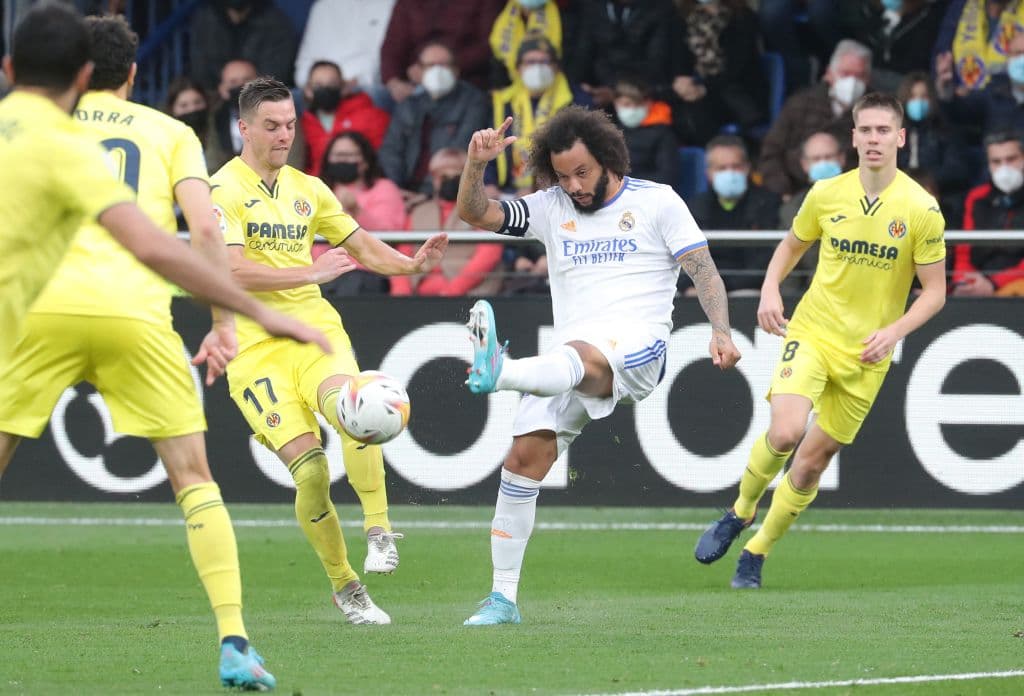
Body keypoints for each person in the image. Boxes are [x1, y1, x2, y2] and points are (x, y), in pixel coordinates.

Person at [0, 6, 336, 689]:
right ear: (127, 75)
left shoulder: (24, 129)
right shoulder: (169, 131)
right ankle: (235, 640)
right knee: (193, 480)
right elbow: (204, 235)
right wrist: (225, 320)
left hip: (37, 312)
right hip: (137, 313)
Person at [455, 106, 742, 624]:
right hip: (569, 358)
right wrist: (476, 165)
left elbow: (702, 269)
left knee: (582, 356)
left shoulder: (656, 202)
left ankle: (505, 372)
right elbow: (477, 215)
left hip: (638, 349)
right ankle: (502, 599)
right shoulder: (549, 207)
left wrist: (720, 330)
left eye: (582, 172)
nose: (574, 185)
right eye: (563, 175)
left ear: (608, 159)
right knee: (523, 462)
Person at [211, 77, 448, 623]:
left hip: (314, 331)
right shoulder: (221, 190)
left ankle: (380, 529)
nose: (284, 134)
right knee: (313, 472)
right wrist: (309, 270)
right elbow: (229, 269)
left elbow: (362, 246)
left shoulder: (309, 188)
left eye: (290, 124)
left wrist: (411, 265)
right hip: (253, 349)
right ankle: (346, 586)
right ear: (243, 128)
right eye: (271, 126)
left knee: (354, 407)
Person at [694, 92, 947, 589]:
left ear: (900, 137)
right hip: (812, 332)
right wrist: (769, 290)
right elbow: (791, 246)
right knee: (786, 433)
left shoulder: (921, 209)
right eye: (865, 130)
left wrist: (894, 331)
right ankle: (740, 509)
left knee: (811, 464)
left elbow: (935, 293)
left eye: (883, 131)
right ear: (853, 137)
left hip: (868, 354)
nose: (873, 139)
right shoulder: (826, 193)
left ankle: (757, 550)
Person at [758, 39, 872, 198]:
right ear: (829, 74)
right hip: (798, 193)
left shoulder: (878, 113)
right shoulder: (799, 105)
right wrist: (784, 191)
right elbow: (771, 153)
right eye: (845, 74)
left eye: (860, 76)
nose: (852, 82)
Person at [378, 40, 489, 196]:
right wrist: (397, 190)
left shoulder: (473, 102)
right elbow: (391, 150)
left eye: (443, 65)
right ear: (418, 71)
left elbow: (460, 151)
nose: (437, 71)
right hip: (406, 191)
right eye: (430, 66)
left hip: (447, 190)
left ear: (455, 70)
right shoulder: (409, 105)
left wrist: (428, 193)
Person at [393, 147, 504, 296]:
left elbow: (489, 255)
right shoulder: (418, 211)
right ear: (433, 178)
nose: (449, 180)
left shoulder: (485, 209)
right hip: (417, 297)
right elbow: (403, 253)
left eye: (456, 176)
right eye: (442, 176)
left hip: (469, 296)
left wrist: (453, 291)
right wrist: (401, 292)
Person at [687, 134, 779, 294]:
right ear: (709, 173)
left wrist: (723, 286)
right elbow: (683, 258)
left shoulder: (768, 204)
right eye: (722, 168)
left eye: (736, 166)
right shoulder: (695, 207)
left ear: (747, 168)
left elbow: (767, 260)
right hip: (703, 289)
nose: (729, 173)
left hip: (746, 289)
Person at [318, 130, 407, 296]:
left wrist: (357, 211)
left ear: (365, 162)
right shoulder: (317, 190)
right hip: (319, 272)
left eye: (349, 155)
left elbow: (389, 238)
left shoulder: (383, 189)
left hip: (365, 272)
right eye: (337, 155)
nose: (343, 160)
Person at [952, 131, 1024, 296]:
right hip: (978, 284)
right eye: (996, 162)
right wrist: (965, 280)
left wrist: (993, 284)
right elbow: (964, 251)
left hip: (1016, 287)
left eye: (1011, 159)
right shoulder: (976, 198)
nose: (1004, 167)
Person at [300, 60, 390, 175]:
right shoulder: (302, 124)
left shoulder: (371, 116)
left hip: (363, 184)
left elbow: (385, 160)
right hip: (319, 187)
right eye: (318, 85)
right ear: (308, 90)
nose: (325, 89)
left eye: (332, 84)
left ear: (344, 87)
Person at [613, 76, 678, 187]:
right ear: (615, 104)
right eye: (626, 104)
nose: (632, 109)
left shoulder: (663, 134)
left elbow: (667, 177)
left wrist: (626, 184)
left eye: (638, 104)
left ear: (648, 103)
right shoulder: (610, 132)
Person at [164, 76, 210, 144]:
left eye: (197, 102)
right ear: (172, 109)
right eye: (184, 106)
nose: (192, 109)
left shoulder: (220, 129)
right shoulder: (164, 140)